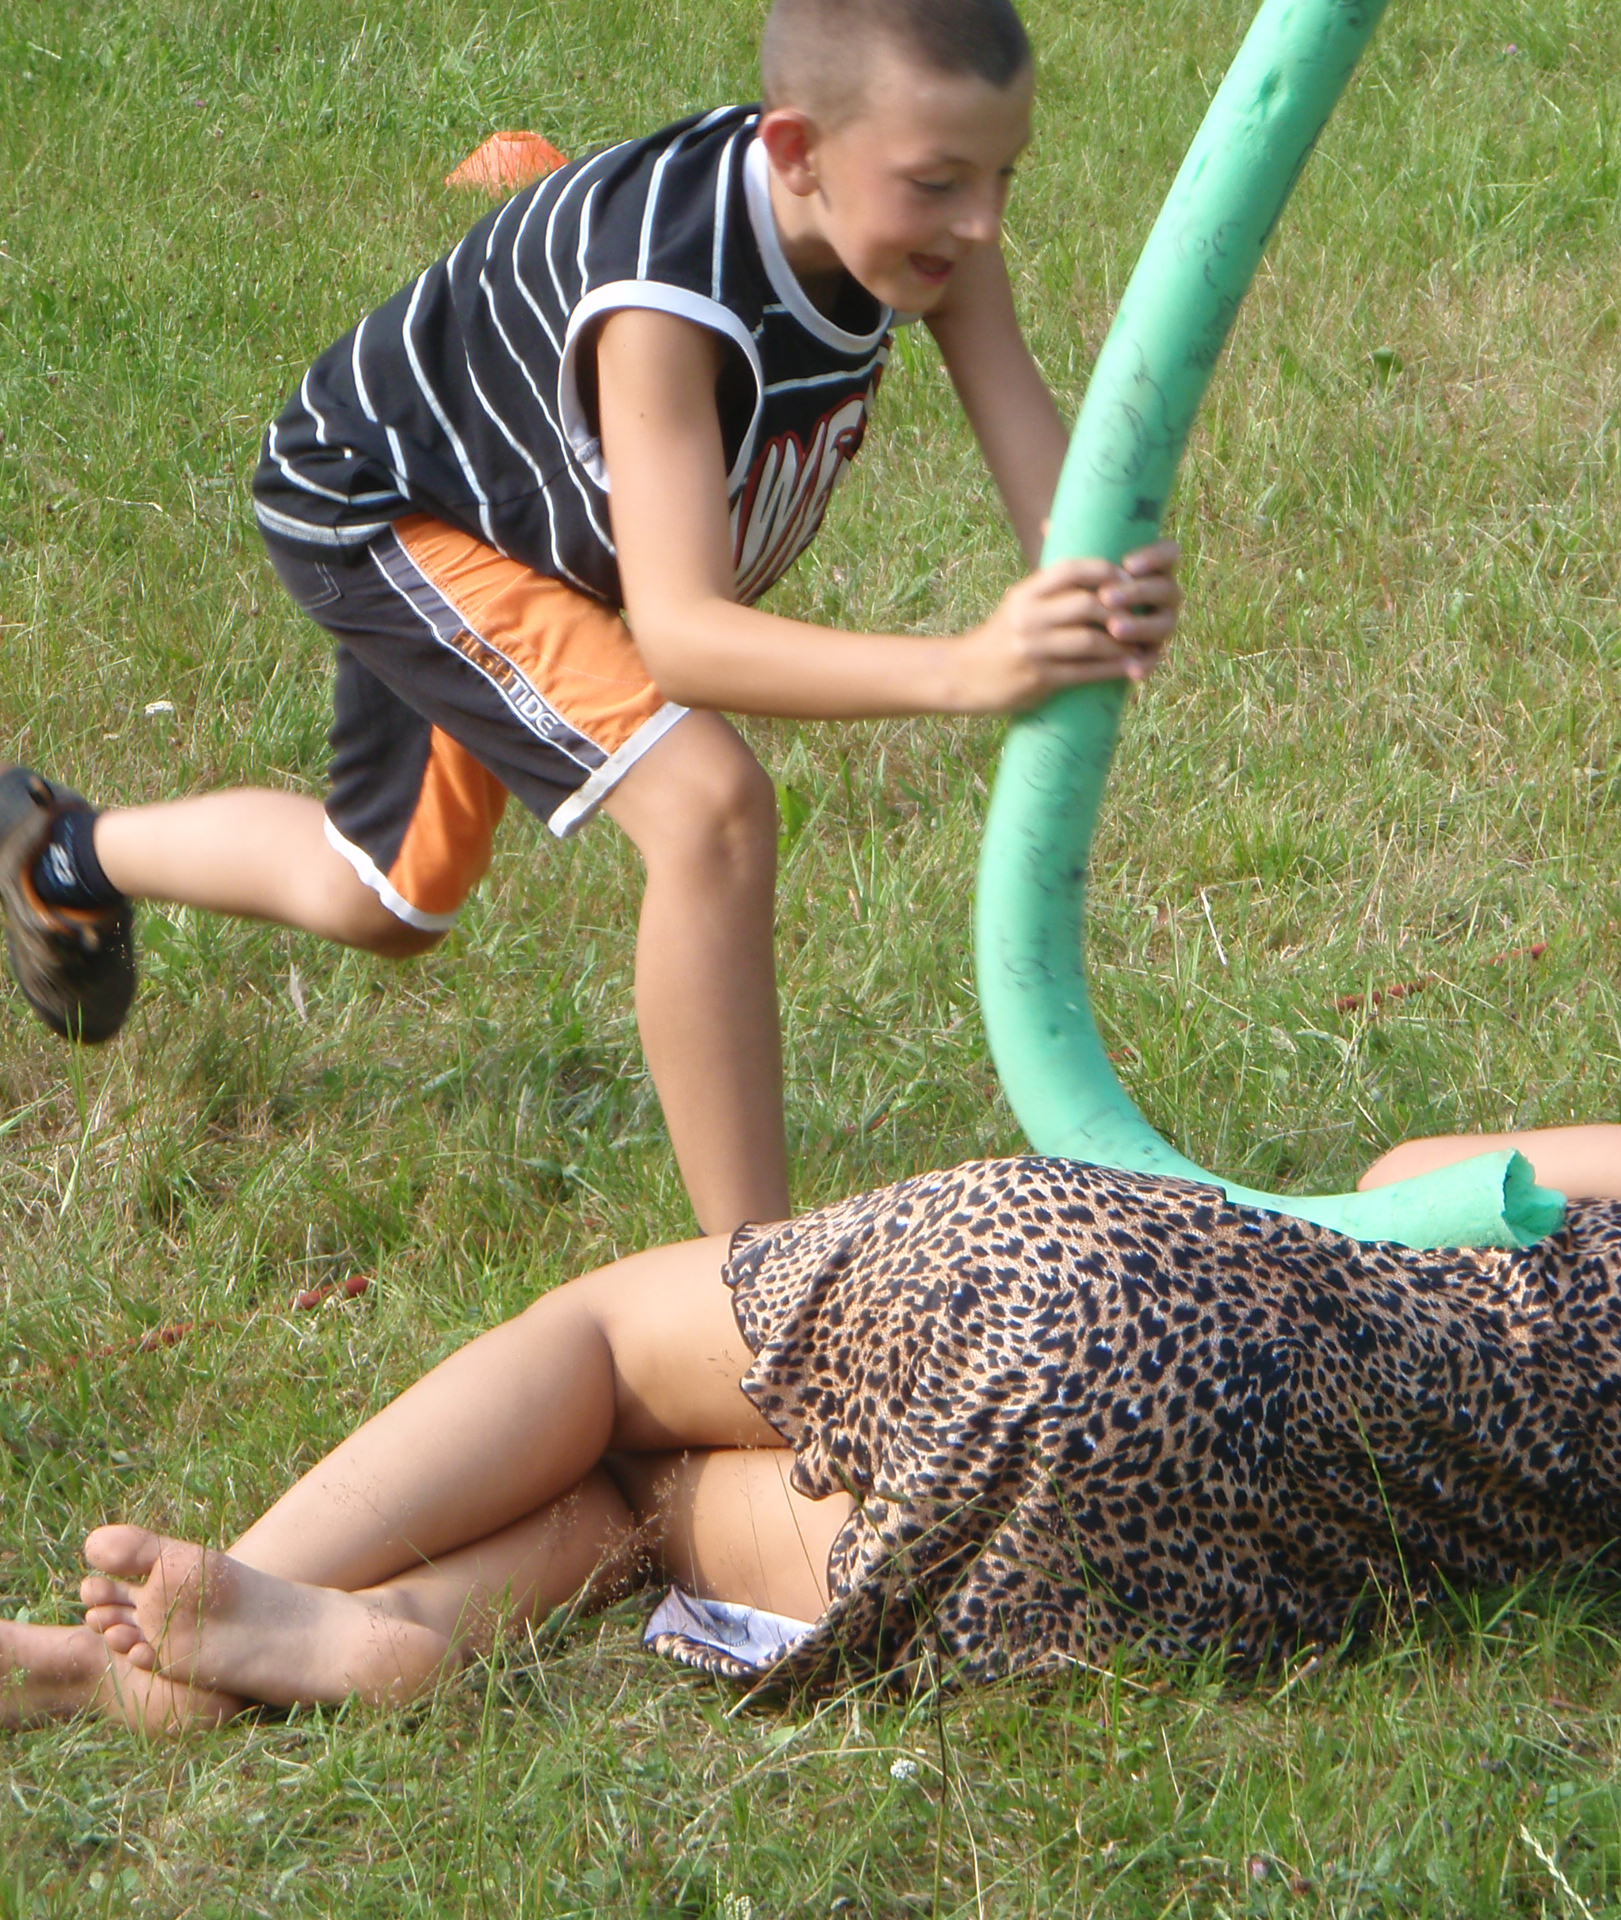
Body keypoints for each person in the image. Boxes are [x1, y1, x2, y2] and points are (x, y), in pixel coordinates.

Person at [0, 0, 1178, 1236]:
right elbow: (684, 638)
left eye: (1001, 177)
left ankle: (59, 857)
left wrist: (1096, 579)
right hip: (391, 508)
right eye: (939, 183)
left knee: (384, 899)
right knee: (710, 809)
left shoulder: (921, 222)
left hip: (535, 523)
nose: (980, 222)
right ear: (796, 152)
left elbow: (1047, 484)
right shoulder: (667, 288)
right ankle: (755, 1285)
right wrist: (970, 668)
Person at [0, 1122, 1621, 1732]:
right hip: (1199, 1564)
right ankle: (363, 1650)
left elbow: (1422, 1182)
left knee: (597, 1346)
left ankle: (239, 1589)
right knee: (662, 1513)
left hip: (1151, 1287)